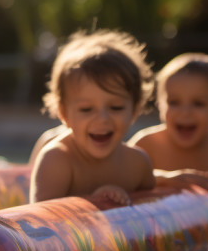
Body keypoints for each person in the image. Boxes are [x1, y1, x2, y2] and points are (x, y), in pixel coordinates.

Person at [30, 30, 156, 205]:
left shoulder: (137, 164)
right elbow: (40, 222)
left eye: (116, 107)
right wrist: (92, 202)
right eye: (86, 109)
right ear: (64, 113)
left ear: (135, 110)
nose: (102, 118)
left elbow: (154, 217)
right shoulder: (57, 160)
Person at [129, 53, 208, 187]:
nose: (185, 112)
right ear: (160, 105)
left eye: (198, 103)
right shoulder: (146, 145)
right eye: (174, 102)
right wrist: (164, 177)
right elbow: (119, 176)